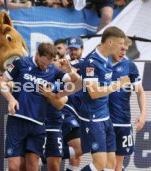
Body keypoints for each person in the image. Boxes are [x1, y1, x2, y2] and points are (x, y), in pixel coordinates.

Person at [0, 42, 80, 171]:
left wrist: (69, 70)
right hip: (17, 119)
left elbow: (78, 82)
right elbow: (1, 82)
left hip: (37, 124)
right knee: (14, 167)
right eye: (42, 63)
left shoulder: (53, 70)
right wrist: (11, 99)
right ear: (37, 55)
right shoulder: (21, 62)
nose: (44, 67)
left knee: (32, 165)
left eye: (48, 64)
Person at [77, 26, 130, 171]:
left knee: (110, 164)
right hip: (92, 118)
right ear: (111, 42)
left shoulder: (107, 60)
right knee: (99, 164)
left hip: (105, 117)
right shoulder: (91, 62)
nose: (122, 49)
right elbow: (93, 93)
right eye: (120, 44)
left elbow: (99, 86)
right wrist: (118, 85)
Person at [109, 37, 146, 171]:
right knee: (106, 163)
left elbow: (140, 92)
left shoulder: (129, 66)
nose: (124, 52)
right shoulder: (100, 63)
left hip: (122, 121)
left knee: (117, 165)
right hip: (103, 121)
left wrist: (143, 114)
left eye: (126, 50)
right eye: (121, 49)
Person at [61, 36, 84, 171]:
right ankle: (41, 158)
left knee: (76, 157)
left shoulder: (88, 64)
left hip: (80, 113)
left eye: (76, 49)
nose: (73, 52)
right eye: (71, 49)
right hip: (66, 110)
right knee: (78, 148)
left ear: (82, 49)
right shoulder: (63, 64)